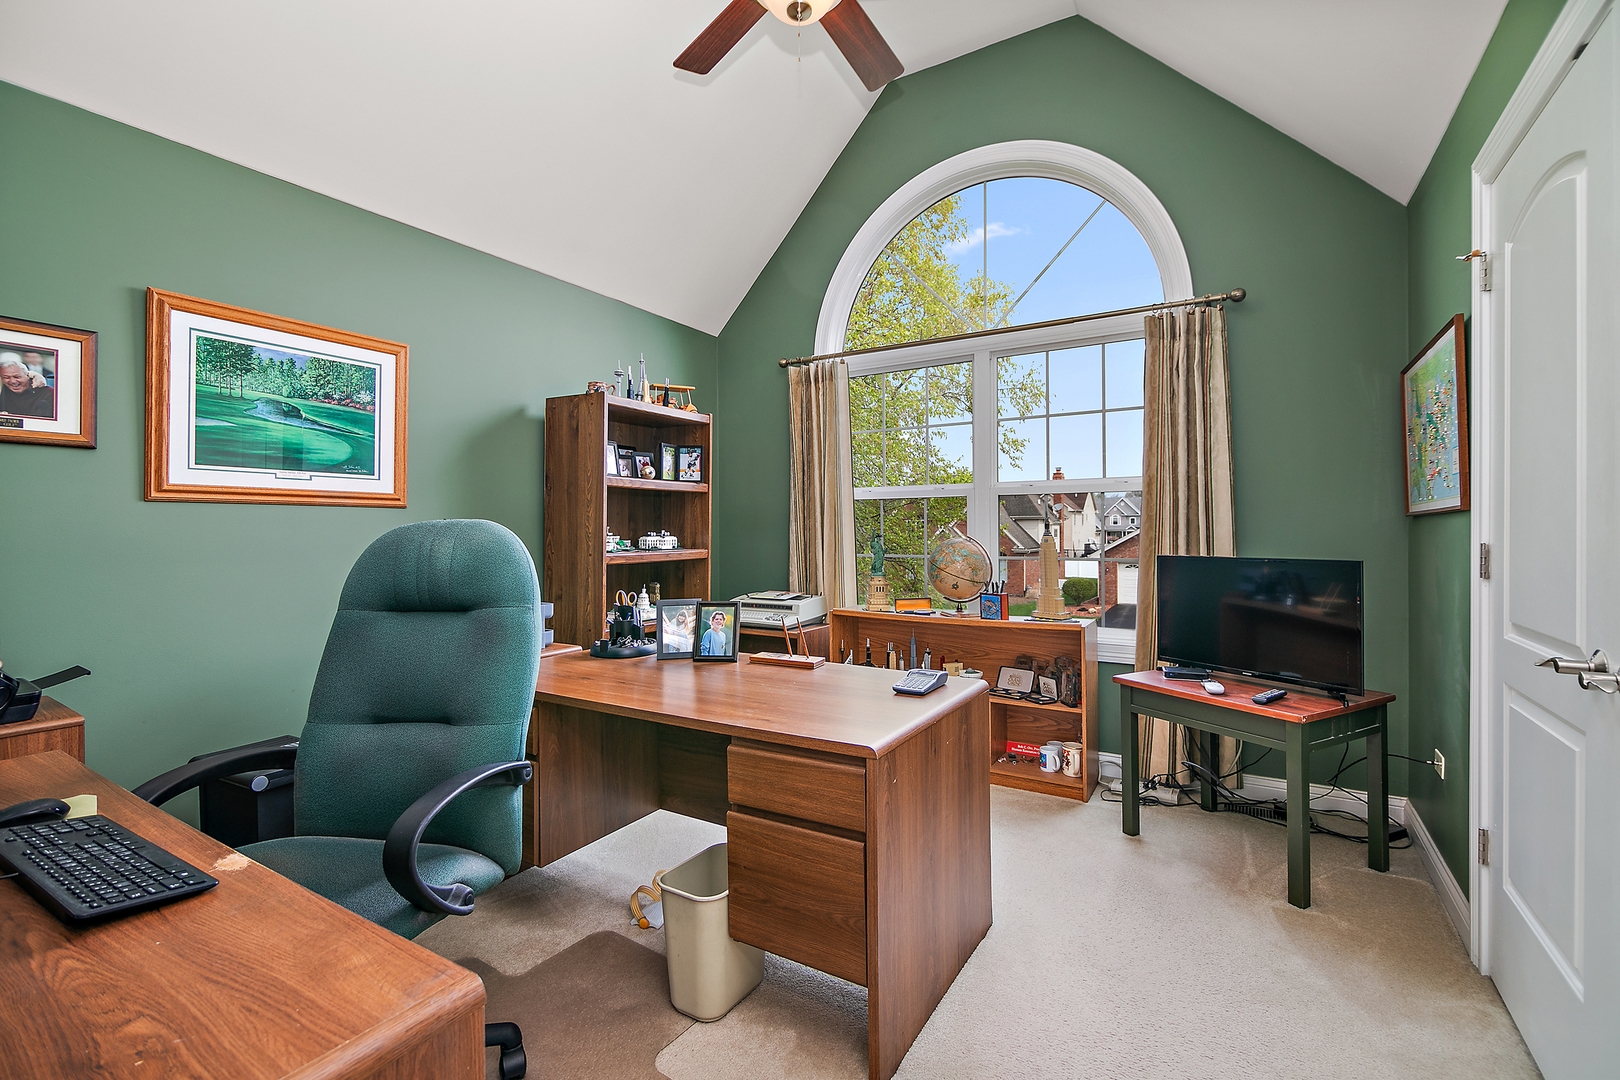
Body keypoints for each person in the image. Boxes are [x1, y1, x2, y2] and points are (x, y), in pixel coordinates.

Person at [0, 353, 54, 418]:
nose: (12, 381)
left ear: (27, 375)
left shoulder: (48, 394)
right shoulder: (4, 389)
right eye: (6, 377)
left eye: (17, 377)